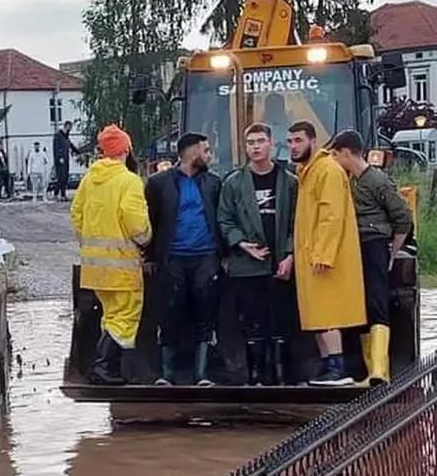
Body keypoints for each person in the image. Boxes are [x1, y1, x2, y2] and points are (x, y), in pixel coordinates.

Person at [217, 123, 299, 385]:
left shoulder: (290, 181)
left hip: (280, 262)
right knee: (252, 320)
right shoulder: (233, 183)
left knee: (281, 320)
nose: (255, 147)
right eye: (250, 142)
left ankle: (281, 374)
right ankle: (255, 375)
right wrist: (241, 244)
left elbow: (298, 222)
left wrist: (289, 255)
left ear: (271, 144)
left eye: (260, 141)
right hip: (247, 265)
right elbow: (225, 219)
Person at [329, 129, 412, 385]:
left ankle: (380, 370)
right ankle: (369, 371)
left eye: (335, 154)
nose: (333, 160)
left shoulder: (377, 180)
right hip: (354, 248)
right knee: (361, 305)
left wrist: (392, 252)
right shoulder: (349, 182)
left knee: (377, 302)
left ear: (345, 152)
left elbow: (403, 218)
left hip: (375, 244)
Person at [70, 125, 152, 385]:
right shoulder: (129, 181)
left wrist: (90, 247)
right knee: (126, 316)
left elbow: (77, 215)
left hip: (95, 269)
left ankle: (110, 369)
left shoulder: (88, 180)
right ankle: (103, 367)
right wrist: (146, 240)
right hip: (122, 266)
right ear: (126, 150)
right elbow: (136, 223)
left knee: (111, 316)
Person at [145, 132, 223, 386]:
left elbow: (220, 219)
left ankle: (202, 374)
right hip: (173, 256)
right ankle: (167, 374)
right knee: (171, 311)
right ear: (191, 152)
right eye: (205, 150)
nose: (208, 155)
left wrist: (226, 255)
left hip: (206, 255)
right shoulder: (159, 184)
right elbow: (151, 221)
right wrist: (149, 255)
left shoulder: (213, 183)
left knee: (205, 310)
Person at [293, 132, 367, 386]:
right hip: (311, 255)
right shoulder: (308, 172)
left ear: (313, 141)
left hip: (323, 257)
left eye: (298, 140)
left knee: (328, 313)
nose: (293, 146)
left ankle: (337, 367)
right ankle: (328, 366)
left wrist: (324, 253)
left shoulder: (327, 171)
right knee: (317, 313)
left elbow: (331, 215)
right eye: (290, 141)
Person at [52, 121, 79, 202]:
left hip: (66, 159)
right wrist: (59, 157)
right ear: (66, 126)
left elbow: (71, 146)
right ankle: (57, 194)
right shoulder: (58, 135)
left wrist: (79, 151)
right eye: (69, 127)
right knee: (61, 177)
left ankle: (62, 195)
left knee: (65, 177)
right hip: (60, 160)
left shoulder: (66, 137)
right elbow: (56, 148)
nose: (70, 129)